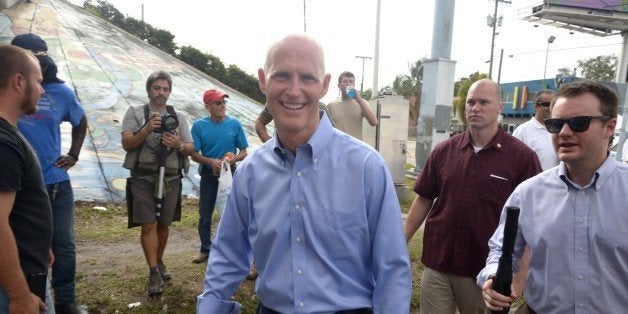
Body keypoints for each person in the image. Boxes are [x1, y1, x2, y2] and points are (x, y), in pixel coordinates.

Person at [197, 34, 411, 313]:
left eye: (308, 78)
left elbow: (392, 268)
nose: (294, 90)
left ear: (323, 85)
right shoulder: (250, 172)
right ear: (263, 80)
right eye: (282, 75)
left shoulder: (366, 168)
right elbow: (228, 253)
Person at [478, 80, 628, 313]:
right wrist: (494, 275)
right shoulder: (528, 193)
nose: (565, 133)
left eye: (579, 123)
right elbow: (501, 248)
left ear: (609, 127)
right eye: (556, 124)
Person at [403, 79, 542, 314]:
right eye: (471, 102)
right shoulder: (444, 151)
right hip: (438, 263)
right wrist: (401, 240)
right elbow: (424, 198)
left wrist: (519, 276)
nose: (475, 107)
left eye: (483, 102)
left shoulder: (522, 158)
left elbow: (533, 222)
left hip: (484, 272)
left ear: (499, 106)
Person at [11, 33, 88, 314]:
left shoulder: (59, 92)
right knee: (22, 247)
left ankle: (65, 301)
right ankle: (28, 298)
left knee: (62, 246)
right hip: (17, 185)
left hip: (55, 185)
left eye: (40, 59)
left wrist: (74, 154)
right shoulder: (8, 91)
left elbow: (81, 121)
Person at [121, 71, 193, 295]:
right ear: (149, 89)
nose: (161, 93)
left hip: (170, 176)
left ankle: (159, 260)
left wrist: (177, 143)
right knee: (148, 223)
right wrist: (146, 129)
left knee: (164, 223)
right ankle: (153, 270)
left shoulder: (178, 116)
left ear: (170, 92)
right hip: (143, 176)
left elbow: (190, 148)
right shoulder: (135, 112)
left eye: (165, 89)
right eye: (157, 88)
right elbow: (127, 143)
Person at [0, 44, 50, 313]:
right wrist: (19, 296)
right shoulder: (4, 143)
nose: (42, 91)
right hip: (13, 290)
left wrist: (39, 247)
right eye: (38, 82)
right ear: (19, 82)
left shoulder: (9, 134)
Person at [190, 89, 248, 264]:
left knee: (231, 213)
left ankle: (231, 250)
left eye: (224, 102)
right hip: (209, 174)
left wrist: (233, 159)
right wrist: (211, 161)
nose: (223, 106)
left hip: (230, 174)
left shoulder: (234, 124)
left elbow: (244, 151)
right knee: (205, 213)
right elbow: (193, 154)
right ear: (208, 106)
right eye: (218, 103)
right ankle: (205, 249)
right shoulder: (199, 126)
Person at [513, 89, 559, 170]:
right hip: (531, 181)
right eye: (547, 104)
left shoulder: (560, 129)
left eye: (554, 104)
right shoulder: (522, 131)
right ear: (536, 107)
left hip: (557, 181)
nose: (551, 108)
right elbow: (512, 160)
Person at [326, 71, 378, 140]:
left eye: (351, 82)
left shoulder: (362, 103)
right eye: (345, 81)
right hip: (338, 147)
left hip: (356, 148)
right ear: (339, 86)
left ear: (354, 85)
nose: (348, 84)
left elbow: (374, 122)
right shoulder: (331, 105)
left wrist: (358, 98)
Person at [254, 102, 331, 143]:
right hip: (278, 158)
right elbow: (260, 122)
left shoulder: (321, 109)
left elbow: (331, 138)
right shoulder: (276, 101)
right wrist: (268, 143)